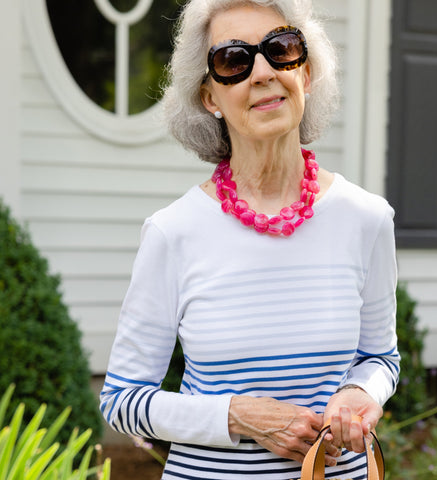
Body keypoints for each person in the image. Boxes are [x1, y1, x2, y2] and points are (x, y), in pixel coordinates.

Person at [99, 0, 400, 478]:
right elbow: (123, 400)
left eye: (281, 49)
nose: (262, 72)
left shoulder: (366, 218)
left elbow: (379, 357)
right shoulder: (173, 232)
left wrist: (360, 392)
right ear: (209, 97)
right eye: (233, 61)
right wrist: (237, 416)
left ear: (304, 73)